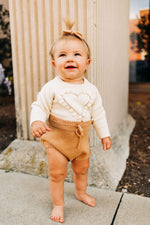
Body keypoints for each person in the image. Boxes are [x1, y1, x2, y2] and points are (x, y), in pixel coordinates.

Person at [30, 21, 112, 223]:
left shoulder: (91, 90)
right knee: (57, 173)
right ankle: (58, 203)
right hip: (57, 139)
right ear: (54, 63)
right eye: (63, 55)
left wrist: (104, 134)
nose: (70, 59)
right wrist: (36, 122)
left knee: (82, 169)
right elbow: (39, 106)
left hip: (81, 141)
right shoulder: (52, 87)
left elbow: (98, 113)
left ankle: (80, 192)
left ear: (87, 63)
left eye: (77, 54)